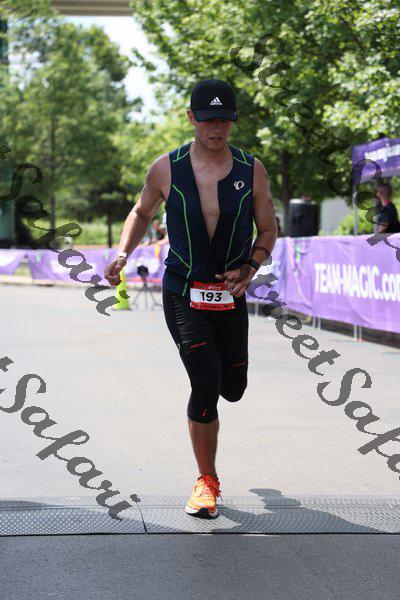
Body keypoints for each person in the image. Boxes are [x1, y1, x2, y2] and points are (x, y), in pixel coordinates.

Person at [104, 78, 277, 519]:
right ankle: (206, 481)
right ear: (192, 119)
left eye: (225, 121)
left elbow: (268, 228)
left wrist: (251, 266)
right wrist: (123, 252)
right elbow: (141, 211)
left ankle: (225, 388)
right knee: (205, 377)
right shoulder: (167, 168)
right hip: (183, 290)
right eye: (208, 120)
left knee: (232, 388)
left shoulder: (251, 169)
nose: (217, 128)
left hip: (230, 294)